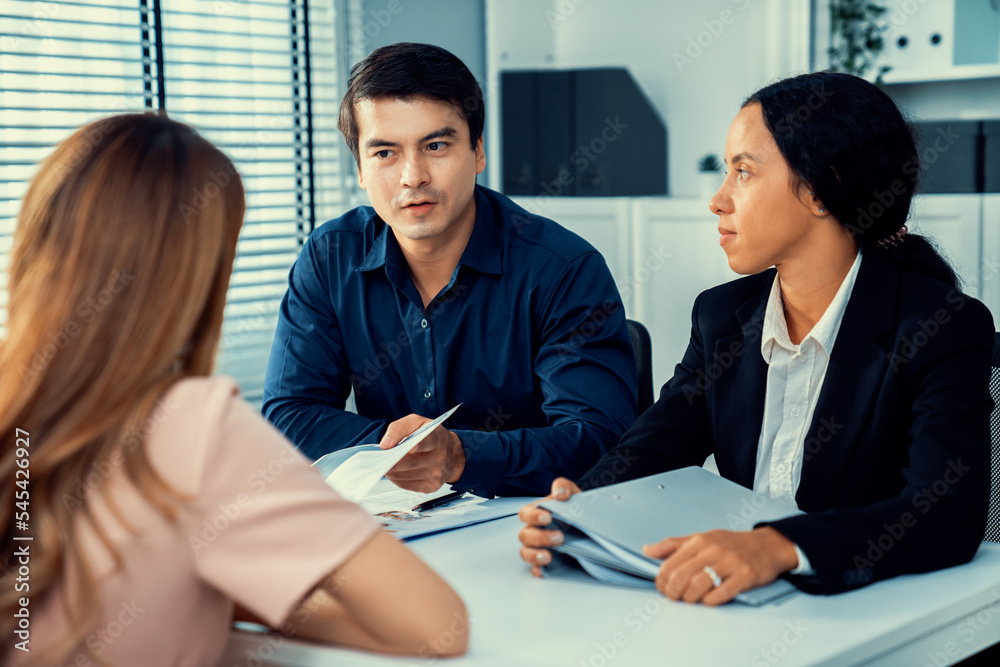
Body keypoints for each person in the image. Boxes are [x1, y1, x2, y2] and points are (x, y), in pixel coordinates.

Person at [0, 113, 468, 666]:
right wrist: (244, 592)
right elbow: (438, 625)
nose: (412, 175)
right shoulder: (191, 425)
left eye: (435, 145)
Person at [518, 71, 995, 603]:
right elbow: (654, 447)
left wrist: (781, 546)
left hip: (860, 607)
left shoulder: (941, 325)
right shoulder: (722, 317)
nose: (717, 201)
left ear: (820, 189)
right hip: (734, 606)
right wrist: (582, 504)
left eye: (743, 172)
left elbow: (947, 511)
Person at [262, 42, 638, 498]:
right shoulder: (329, 258)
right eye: (385, 153)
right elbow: (289, 414)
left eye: (435, 145)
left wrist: (460, 457)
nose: (412, 176)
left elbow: (601, 440)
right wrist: (405, 453)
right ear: (360, 168)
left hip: (529, 525)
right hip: (396, 523)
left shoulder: (563, 270)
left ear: (477, 152)